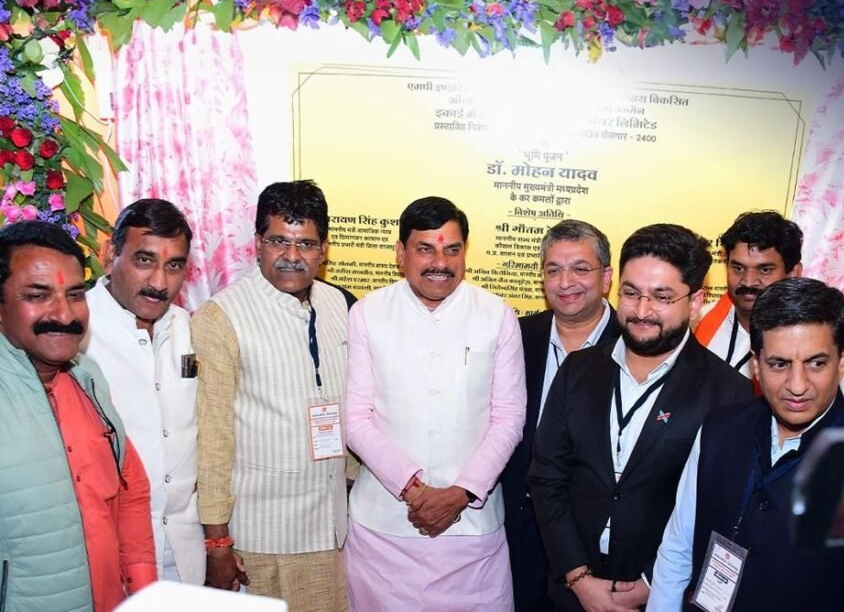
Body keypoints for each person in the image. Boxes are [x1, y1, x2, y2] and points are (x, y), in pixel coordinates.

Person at [528, 223, 750, 611]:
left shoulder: (728, 392)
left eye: (661, 297)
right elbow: (547, 477)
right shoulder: (578, 371)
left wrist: (653, 582)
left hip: (661, 595)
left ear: (696, 301)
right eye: (631, 293)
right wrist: (578, 578)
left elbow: (722, 509)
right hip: (568, 593)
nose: (642, 311)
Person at [345, 196, 526, 612]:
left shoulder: (496, 315)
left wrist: (460, 494)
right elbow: (356, 419)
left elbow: (509, 417)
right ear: (400, 253)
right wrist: (414, 491)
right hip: (384, 528)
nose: (439, 262)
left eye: (451, 249)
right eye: (425, 248)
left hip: (471, 527)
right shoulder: (369, 313)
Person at [648, 278, 844, 611]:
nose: (797, 385)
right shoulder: (719, 427)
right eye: (779, 364)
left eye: (816, 363)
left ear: (842, 362)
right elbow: (678, 547)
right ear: (756, 365)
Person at [193, 181, 353, 611]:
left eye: (306, 244)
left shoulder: (337, 303)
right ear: (258, 243)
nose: (293, 256)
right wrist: (218, 542)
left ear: (324, 250)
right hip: (261, 538)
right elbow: (212, 438)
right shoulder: (221, 317)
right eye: (279, 240)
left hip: (332, 528)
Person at [0, 221, 156, 611]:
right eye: (38, 295)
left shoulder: (88, 381)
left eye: (74, 294)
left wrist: (144, 592)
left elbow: (129, 490)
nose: (64, 314)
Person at [82, 198, 205, 584]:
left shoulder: (186, 327)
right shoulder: (75, 330)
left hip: (185, 549)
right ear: (110, 254)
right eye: (144, 260)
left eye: (174, 266)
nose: (159, 283)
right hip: (108, 553)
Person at [500, 219, 621, 611]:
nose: (565, 281)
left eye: (580, 269)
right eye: (553, 270)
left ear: (606, 278)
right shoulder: (517, 337)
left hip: (592, 541)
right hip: (518, 526)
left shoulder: (632, 345)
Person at [695, 210, 844, 405]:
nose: (748, 281)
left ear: (793, 273)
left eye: (764, 270)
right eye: (738, 268)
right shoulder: (699, 320)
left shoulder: (820, 347)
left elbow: (843, 426)